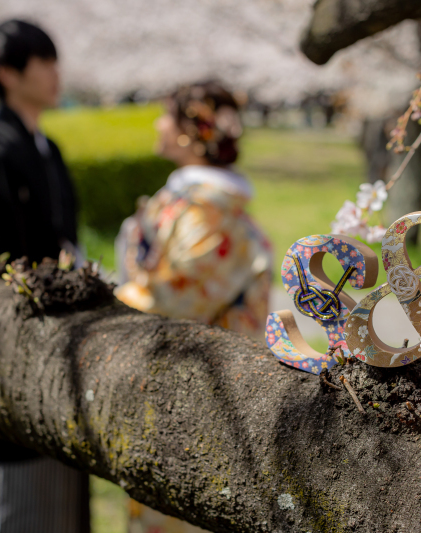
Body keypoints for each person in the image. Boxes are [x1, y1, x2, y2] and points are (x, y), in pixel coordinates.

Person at [115, 82, 272, 532]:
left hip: (204, 394)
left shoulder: (210, 213)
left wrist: (101, 304)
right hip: (182, 382)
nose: (157, 123)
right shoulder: (199, 202)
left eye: (166, 115)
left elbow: (173, 298)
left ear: (189, 131)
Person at [0, 20, 88, 533]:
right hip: (14, 355)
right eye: (44, 62)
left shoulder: (46, 149)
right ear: (6, 74)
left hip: (64, 345)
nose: (56, 73)